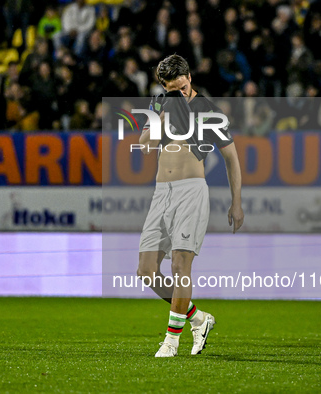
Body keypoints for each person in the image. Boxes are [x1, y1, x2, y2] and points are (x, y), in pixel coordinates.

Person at [136, 54, 244, 358]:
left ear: (190, 78)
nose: (179, 93)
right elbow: (145, 145)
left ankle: (171, 341)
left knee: (180, 266)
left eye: (182, 87)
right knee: (146, 271)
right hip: (161, 192)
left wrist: (237, 202)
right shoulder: (160, 104)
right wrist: (164, 115)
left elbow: (231, 158)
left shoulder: (208, 110)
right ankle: (197, 318)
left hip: (191, 191)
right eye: (172, 89)